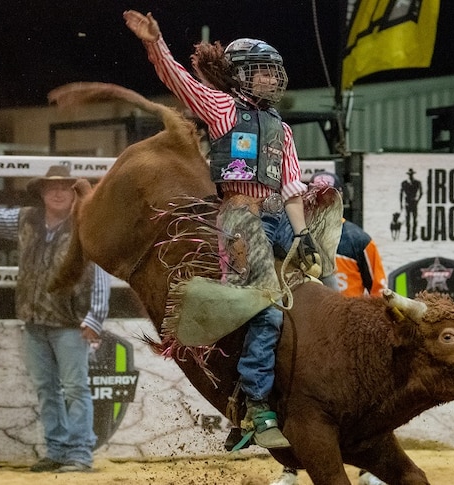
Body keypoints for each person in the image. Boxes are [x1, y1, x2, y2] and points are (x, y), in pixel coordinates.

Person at [124, 9, 325, 449]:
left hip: (277, 217)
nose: (273, 79)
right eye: (263, 72)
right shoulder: (222, 108)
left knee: (324, 280)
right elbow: (179, 81)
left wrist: (304, 234)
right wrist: (155, 44)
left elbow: (291, 189)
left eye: (275, 73)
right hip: (238, 216)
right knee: (267, 309)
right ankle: (255, 404)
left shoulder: (282, 130)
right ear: (239, 77)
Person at [0, 165, 111, 472]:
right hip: (34, 321)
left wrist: (96, 317)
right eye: (52, 187)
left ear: (72, 192)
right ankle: (57, 449)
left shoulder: (85, 223)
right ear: (42, 192)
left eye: (65, 187)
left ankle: (79, 452)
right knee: (48, 388)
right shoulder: (26, 219)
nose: (58, 192)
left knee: (74, 387)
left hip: (69, 322)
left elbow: (101, 269)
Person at [271, 171, 387, 485]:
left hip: (352, 337)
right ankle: (289, 469)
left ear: (337, 199)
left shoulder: (356, 239)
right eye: (316, 193)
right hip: (308, 330)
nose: (320, 199)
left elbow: (377, 287)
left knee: (370, 403)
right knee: (297, 399)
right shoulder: (295, 234)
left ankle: (369, 469)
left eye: (327, 194)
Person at [399, 168, 423, 241]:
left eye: (411, 174)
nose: (410, 176)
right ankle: (408, 235)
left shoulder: (417, 183)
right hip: (407, 203)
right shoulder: (404, 183)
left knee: (414, 219)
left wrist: (417, 200)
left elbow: (421, 193)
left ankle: (413, 235)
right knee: (408, 220)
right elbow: (401, 194)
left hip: (413, 203)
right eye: (409, 174)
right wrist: (401, 204)